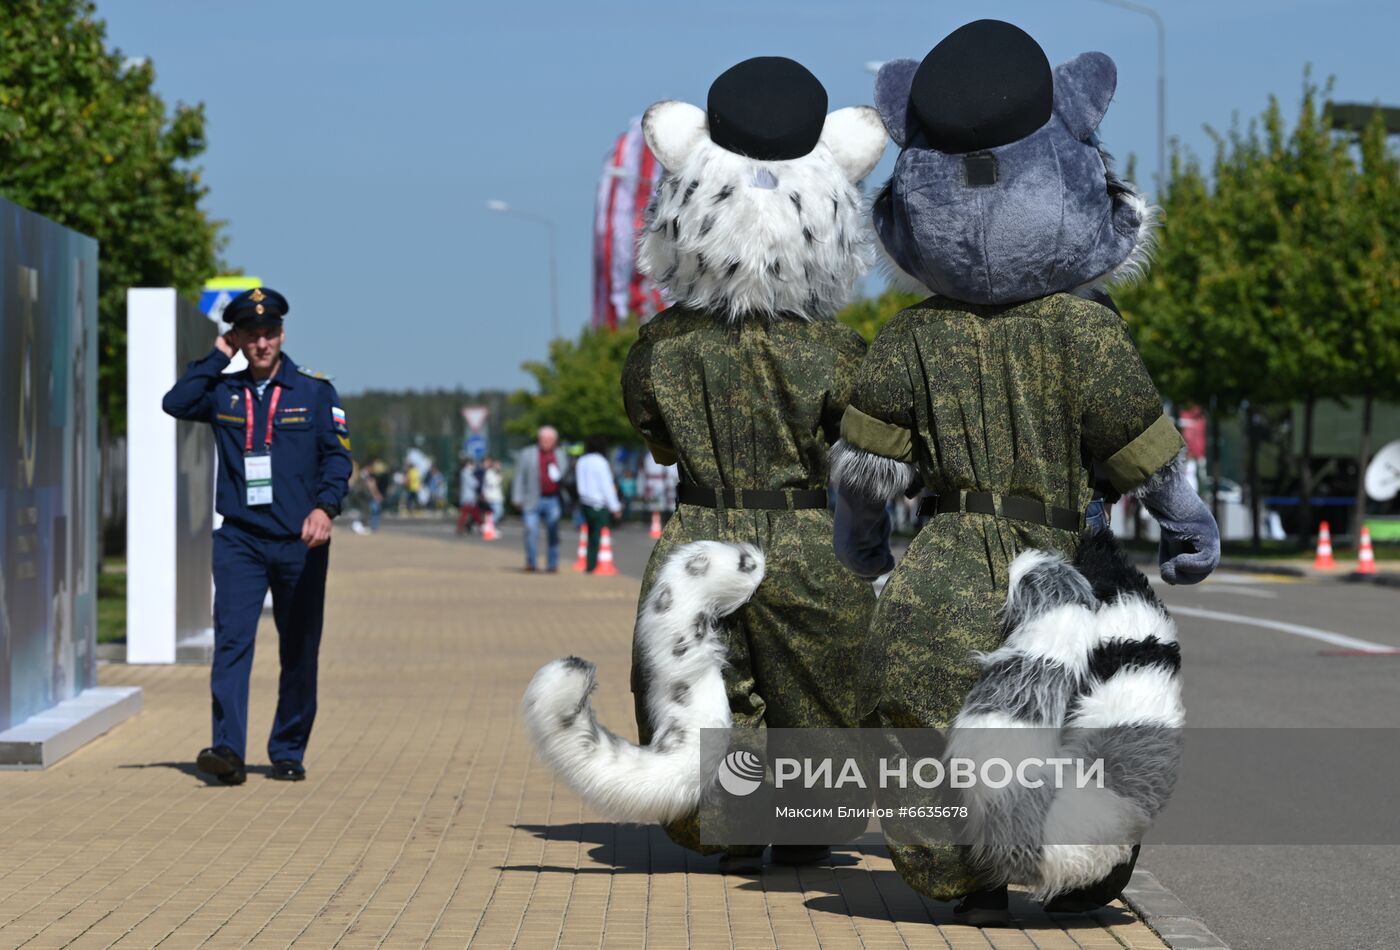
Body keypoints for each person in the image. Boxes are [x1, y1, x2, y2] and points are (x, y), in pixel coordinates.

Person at [831, 22, 1218, 920]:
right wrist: (1187, 519)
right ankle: (1087, 867)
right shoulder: (1085, 330)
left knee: (914, 698)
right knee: (1101, 711)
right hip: (1065, 554)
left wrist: (862, 544)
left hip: (946, 562)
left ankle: (963, 877)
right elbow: (1141, 437)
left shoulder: (907, 339)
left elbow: (864, 472)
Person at [620, 57, 887, 870]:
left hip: (701, 529)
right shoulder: (839, 350)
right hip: (807, 535)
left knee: (702, 684)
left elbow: (653, 432)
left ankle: (728, 822)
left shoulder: (660, 347)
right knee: (822, 689)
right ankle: (805, 825)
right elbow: (860, 442)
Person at [162, 287, 351, 785]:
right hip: (240, 540)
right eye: (251, 335)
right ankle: (227, 750)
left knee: (299, 647)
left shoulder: (314, 392)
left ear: (282, 334)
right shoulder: (222, 391)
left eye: (270, 333)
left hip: (299, 542)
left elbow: (337, 459)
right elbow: (175, 402)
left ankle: (287, 749)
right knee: (232, 642)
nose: (262, 343)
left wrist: (324, 508)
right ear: (240, 337)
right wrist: (218, 355)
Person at [511, 426, 569, 572]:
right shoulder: (527, 453)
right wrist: (517, 498)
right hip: (532, 498)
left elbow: (566, 476)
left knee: (553, 530)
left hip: (553, 499)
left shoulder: (560, 455)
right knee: (531, 530)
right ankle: (531, 562)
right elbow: (519, 477)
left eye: (550, 439)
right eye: (544, 439)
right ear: (539, 439)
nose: (546, 442)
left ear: (555, 441)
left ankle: (552, 564)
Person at [575, 436, 623, 571]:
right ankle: (592, 565)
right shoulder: (601, 462)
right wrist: (615, 507)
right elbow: (606, 486)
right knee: (596, 535)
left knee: (590, 533)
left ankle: (589, 564)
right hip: (598, 504)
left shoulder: (582, 461)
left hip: (585, 502)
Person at [456, 456, 482, 534]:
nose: (473, 466)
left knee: (474, 513)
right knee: (468, 513)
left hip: (470, 497)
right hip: (468, 497)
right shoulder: (466, 473)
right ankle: (461, 528)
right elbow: (474, 483)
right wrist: (477, 480)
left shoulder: (467, 472)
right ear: (467, 464)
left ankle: (479, 526)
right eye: (471, 464)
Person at [481, 458, 506, 523]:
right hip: (492, 497)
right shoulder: (489, 472)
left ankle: (490, 527)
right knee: (498, 512)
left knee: (495, 513)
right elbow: (491, 483)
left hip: (497, 497)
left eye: (500, 465)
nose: (499, 467)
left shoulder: (497, 473)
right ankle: (488, 525)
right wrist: (499, 478)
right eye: (498, 465)